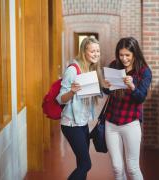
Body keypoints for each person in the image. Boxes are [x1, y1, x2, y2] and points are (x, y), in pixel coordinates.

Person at [103, 37, 152, 180]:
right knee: (117, 168)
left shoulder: (144, 71)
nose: (123, 59)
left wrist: (132, 87)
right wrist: (106, 87)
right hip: (111, 122)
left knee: (132, 168)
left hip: (131, 123)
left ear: (135, 54)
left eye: (127, 55)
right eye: (121, 54)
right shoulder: (114, 65)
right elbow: (108, 92)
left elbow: (141, 97)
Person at [56, 36, 102, 180]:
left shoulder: (90, 69)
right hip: (71, 124)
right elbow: (60, 99)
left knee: (81, 164)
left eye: (98, 51)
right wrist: (72, 91)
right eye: (92, 51)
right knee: (86, 164)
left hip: (82, 124)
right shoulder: (73, 69)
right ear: (84, 52)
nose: (96, 54)